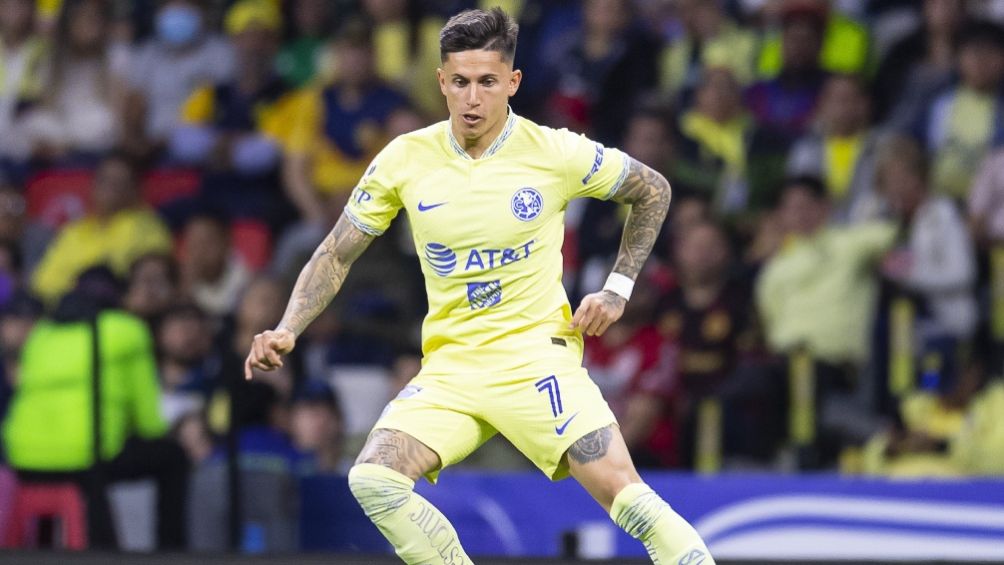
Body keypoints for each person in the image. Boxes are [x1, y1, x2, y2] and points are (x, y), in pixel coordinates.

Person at [245, 8, 714, 564]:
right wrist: (288, 327)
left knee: (628, 497)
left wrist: (617, 288)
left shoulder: (553, 151)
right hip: (452, 367)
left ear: (512, 82)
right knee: (373, 479)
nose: (472, 99)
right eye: (460, 82)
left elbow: (652, 189)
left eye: (487, 82)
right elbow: (335, 251)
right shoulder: (406, 157)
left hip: (534, 360)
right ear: (441, 81)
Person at [2, 267, 188, 549]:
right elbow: (149, 422)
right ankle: (171, 550)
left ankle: (46, 547)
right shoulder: (128, 330)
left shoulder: (42, 334)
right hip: (87, 459)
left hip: (24, 458)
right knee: (173, 457)